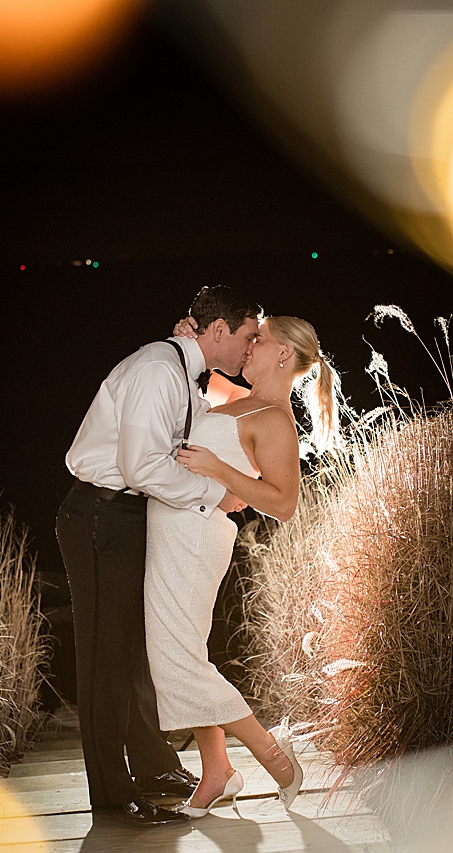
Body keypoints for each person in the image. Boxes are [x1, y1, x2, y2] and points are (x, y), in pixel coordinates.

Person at [58, 286, 261, 826]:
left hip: (127, 517)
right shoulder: (157, 369)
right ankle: (113, 798)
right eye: (246, 336)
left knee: (135, 652)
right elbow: (146, 467)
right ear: (218, 331)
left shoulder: (179, 370)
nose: (252, 346)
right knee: (105, 661)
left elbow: (184, 434)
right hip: (100, 517)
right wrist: (220, 494)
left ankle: (152, 769)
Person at [146, 313, 341, 816]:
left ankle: (274, 759)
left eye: (259, 338)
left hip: (195, 541)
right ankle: (217, 769)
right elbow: (193, 373)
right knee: (179, 652)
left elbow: (284, 504)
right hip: (171, 532)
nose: (248, 345)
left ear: (282, 354)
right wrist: (186, 338)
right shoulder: (235, 398)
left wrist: (219, 470)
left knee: (178, 656)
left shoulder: (275, 419)